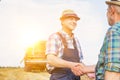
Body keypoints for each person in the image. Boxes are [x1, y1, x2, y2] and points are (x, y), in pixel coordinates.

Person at [45, 9, 95, 80]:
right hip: (59, 77)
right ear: (62, 21)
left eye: (75, 20)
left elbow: (79, 61)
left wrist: (88, 72)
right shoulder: (55, 37)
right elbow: (51, 60)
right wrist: (72, 65)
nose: (74, 22)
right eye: (71, 19)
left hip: (75, 77)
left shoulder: (76, 40)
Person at [95, 0, 120, 80]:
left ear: (112, 10)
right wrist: (85, 68)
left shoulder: (115, 31)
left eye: (107, 11)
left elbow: (114, 75)